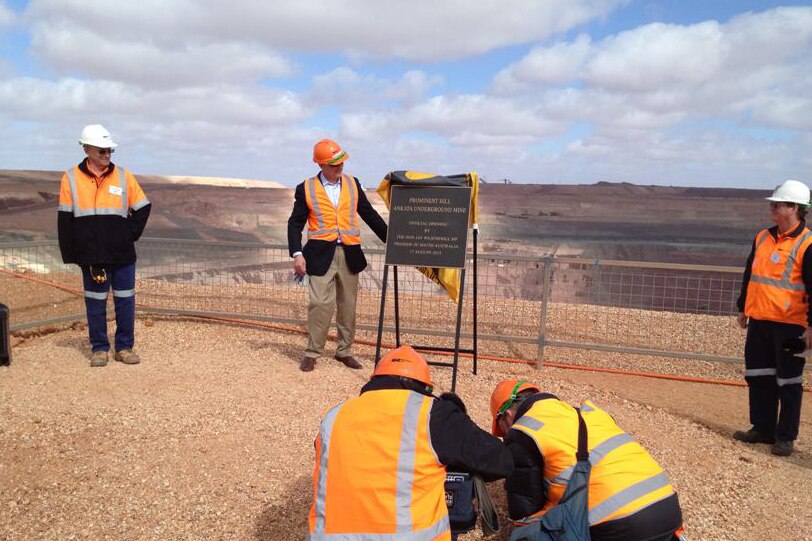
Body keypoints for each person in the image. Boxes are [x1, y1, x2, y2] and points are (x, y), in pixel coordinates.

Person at [307, 345, 513, 540]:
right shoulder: (433, 413)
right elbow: (501, 461)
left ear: (375, 381)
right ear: (424, 388)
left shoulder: (334, 417)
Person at [490, 378, 685, 541]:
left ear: (507, 416)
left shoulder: (524, 430)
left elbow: (524, 512)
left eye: (502, 431)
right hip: (668, 510)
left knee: (525, 533)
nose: (505, 437)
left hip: (620, 527)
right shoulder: (590, 413)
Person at [287, 139, 387, 372]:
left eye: (341, 162)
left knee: (348, 305)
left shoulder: (353, 184)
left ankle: (344, 351)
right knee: (320, 303)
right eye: (334, 164)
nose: (340, 166)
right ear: (321, 164)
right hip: (319, 256)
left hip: (349, 253)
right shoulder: (306, 188)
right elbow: (295, 223)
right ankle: (312, 352)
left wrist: (392, 240)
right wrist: (297, 253)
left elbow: (369, 214)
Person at [58, 124, 151, 367]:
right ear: (87, 149)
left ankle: (125, 347)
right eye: (102, 151)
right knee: (95, 303)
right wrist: (73, 255)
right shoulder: (70, 178)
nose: (107, 155)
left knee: (125, 301)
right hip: (92, 255)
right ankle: (99, 348)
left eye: (109, 150)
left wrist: (127, 234)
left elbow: (143, 207)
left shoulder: (123, 175)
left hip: (122, 254)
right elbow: (65, 220)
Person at [735, 179, 812, 457]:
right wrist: (744, 307)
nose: (772, 208)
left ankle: (785, 436)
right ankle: (763, 428)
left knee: (789, 382)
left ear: (794, 208)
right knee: (759, 375)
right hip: (760, 321)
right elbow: (750, 275)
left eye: (778, 204)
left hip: (791, 326)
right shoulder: (763, 237)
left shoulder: (808, 244)